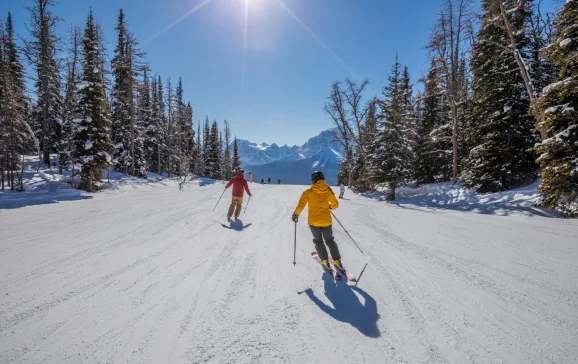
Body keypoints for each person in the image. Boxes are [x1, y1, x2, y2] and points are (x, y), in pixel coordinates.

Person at [292, 171, 345, 274]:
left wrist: (296, 214)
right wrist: (329, 207)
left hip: (314, 222)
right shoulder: (328, 191)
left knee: (318, 241)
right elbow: (335, 204)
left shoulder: (308, 192)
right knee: (330, 240)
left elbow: (301, 205)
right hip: (326, 221)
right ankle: (337, 261)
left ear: (313, 180)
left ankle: (324, 261)